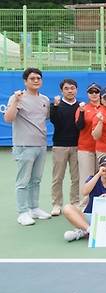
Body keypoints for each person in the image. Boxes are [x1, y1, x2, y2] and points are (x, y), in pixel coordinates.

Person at [5, 67, 52, 226]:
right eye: (32, 78)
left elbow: (43, 120)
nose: (36, 81)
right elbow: (8, 118)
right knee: (23, 181)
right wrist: (16, 102)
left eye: (38, 78)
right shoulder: (17, 97)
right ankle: (23, 212)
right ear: (25, 81)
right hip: (24, 146)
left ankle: (34, 208)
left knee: (36, 180)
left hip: (41, 146)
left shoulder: (44, 99)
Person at [62, 155, 106, 242]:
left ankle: (81, 232)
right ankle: (90, 230)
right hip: (89, 215)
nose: (105, 169)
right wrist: (98, 174)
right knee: (67, 208)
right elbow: (84, 192)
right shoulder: (93, 179)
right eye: (103, 166)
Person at [49, 78, 80, 216]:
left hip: (77, 146)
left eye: (72, 88)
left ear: (76, 90)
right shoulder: (56, 105)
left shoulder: (81, 106)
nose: (70, 91)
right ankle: (56, 204)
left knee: (76, 177)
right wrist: (55, 106)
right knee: (57, 177)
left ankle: (75, 202)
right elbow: (54, 121)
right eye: (66, 88)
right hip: (60, 146)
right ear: (62, 90)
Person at [75, 82, 102, 210]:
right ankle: (84, 206)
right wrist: (81, 112)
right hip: (86, 148)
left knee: (102, 176)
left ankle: (100, 205)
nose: (94, 94)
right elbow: (79, 126)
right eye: (91, 92)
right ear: (87, 94)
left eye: (96, 91)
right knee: (87, 177)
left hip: (103, 148)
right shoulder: (83, 108)